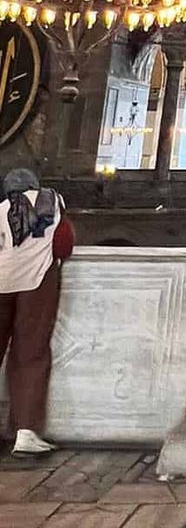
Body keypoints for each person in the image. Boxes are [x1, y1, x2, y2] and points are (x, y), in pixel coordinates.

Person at [0, 168, 74, 456]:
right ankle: (25, 433)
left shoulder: (2, 209)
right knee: (30, 354)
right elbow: (64, 243)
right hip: (36, 283)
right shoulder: (52, 204)